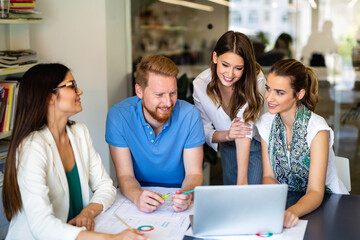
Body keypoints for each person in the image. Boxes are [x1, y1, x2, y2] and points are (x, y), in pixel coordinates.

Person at [2, 64, 146, 240]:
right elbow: (42, 226)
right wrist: (111, 239)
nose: (80, 91)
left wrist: (89, 212)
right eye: (71, 86)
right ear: (49, 97)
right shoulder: (32, 147)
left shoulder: (79, 132)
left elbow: (105, 186)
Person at [106, 55, 205, 213]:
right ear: (139, 91)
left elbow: (194, 173)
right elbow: (125, 175)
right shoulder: (119, 116)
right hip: (137, 191)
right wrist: (138, 196)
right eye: (159, 95)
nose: (168, 103)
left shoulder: (190, 115)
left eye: (172, 93)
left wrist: (187, 194)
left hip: (179, 190)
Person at [256, 59, 348, 228]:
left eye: (280, 92)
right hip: (286, 201)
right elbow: (268, 177)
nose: (269, 97)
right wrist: (277, 207)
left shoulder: (317, 128)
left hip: (327, 204)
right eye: (268, 88)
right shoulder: (266, 123)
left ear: (299, 94)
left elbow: (315, 191)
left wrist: (292, 212)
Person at [193, 31, 265, 185]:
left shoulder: (256, 79)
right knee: (231, 197)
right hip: (226, 144)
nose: (230, 74)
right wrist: (227, 135)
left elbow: (244, 129)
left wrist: (242, 181)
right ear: (215, 57)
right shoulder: (200, 83)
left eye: (238, 68)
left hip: (253, 144)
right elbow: (204, 130)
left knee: (249, 195)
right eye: (225, 65)